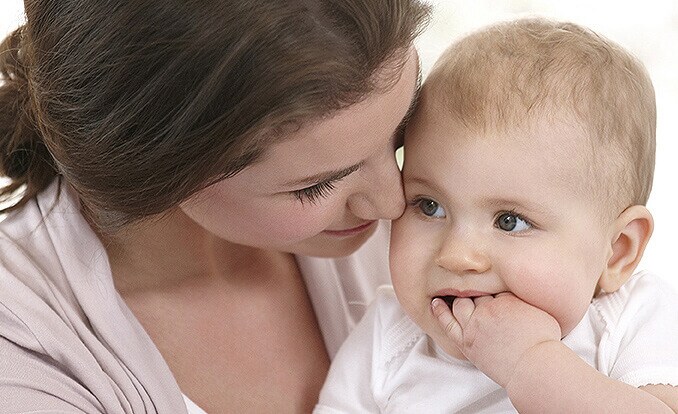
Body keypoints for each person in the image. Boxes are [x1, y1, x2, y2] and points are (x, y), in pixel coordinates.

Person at [0, 1, 431, 412]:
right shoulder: (24, 345)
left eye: (401, 134)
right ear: (155, 163)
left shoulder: (449, 206)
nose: (395, 204)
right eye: (319, 185)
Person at [315, 17, 678, 413]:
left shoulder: (634, 318)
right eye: (430, 206)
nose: (456, 255)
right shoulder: (386, 340)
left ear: (616, 251)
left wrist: (530, 362)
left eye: (510, 221)